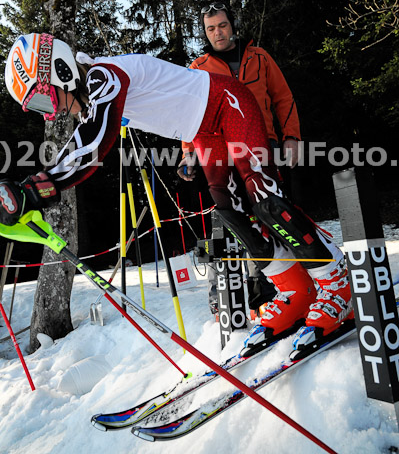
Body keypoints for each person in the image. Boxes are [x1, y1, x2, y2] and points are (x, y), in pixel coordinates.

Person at [0, 32, 353, 353]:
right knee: (230, 211)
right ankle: (295, 289)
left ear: (61, 70)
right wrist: (41, 186)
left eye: (45, 100)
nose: (51, 114)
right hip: (204, 131)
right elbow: (88, 136)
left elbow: (93, 143)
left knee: (265, 198)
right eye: (39, 109)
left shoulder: (102, 76)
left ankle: (336, 283)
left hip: (229, 103)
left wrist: (39, 186)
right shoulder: (94, 91)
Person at [177, 1, 301, 319]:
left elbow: (284, 97)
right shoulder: (198, 68)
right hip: (222, 153)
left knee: (273, 213)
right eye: (210, 29)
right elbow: (189, 113)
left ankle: (290, 285)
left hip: (263, 147)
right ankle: (254, 289)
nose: (218, 32)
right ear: (205, 33)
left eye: (222, 25)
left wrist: (292, 137)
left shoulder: (259, 57)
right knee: (237, 220)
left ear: (232, 25)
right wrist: (188, 152)